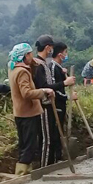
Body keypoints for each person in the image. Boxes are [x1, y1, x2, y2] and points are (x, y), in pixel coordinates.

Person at [8, 43, 54, 176]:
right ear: (25, 55)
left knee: (24, 143)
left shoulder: (13, 68)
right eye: (30, 54)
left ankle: (25, 171)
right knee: (30, 145)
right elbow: (26, 93)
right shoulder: (22, 72)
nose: (32, 56)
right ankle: (22, 174)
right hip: (28, 113)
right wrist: (43, 91)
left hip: (19, 112)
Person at [43, 41, 76, 164]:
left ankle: (59, 156)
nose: (66, 55)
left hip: (62, 104)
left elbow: (64, 83)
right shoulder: (52, 67)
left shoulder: (58, 68)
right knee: (56, 133)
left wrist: (66, 78)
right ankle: (55, 159)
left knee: (59, 130)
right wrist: (68, 96)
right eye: (65, 52)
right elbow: (54, 89)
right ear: (60, 54)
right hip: (56, 105)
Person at [32, 35, 58, 167]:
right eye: (51, 48)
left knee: (51, 136)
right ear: (47, 48)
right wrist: (64, 83)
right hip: (43, 105)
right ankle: (44, 167)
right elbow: (43, 85)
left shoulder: (44, 63)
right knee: (46, 139)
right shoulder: (38, 65)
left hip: (49, 104)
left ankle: (51, 165)